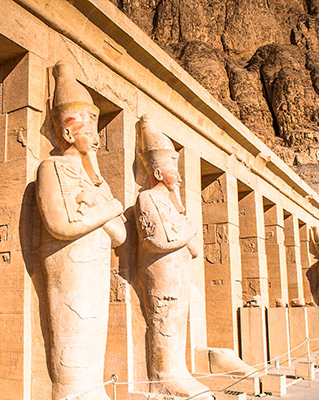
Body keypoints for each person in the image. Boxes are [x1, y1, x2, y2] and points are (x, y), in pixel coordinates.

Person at [36, 61, 126, 400]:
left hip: (96, 265)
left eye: (96, 127)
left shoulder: (97, 183)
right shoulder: (52, 168)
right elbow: (62, 225)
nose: (96, 136)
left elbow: (120, 235)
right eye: (88, 126)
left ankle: (91, 390)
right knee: (72, 331)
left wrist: (98, 206)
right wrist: (110, 208)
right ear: (67, 133)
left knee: (94, 329)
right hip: (68, 266)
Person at [134, 114, 212, 399]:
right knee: (163, 321)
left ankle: (178, 372)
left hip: (178, 271)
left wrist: (182, 222)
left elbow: (194, 249)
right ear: (157, 173)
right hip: (160, 272)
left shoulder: (170, 204)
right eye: (172, 170)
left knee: (178, 322)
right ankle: (163, 377)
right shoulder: (147, 199)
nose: (178, 177)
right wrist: (187, 228)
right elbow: (157, 240)